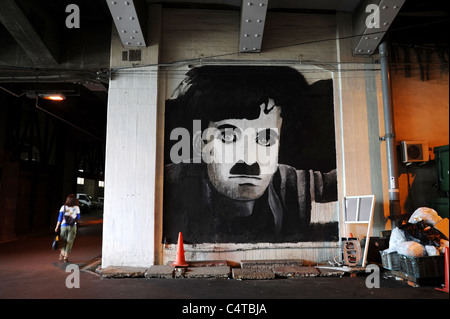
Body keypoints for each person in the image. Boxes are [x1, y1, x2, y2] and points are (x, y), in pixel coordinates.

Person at [163, 65, 338, 244]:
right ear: (202, 144)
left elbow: (347, 181)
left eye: (265, 139)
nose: (248, 160)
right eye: (228, 137)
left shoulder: (288, 182)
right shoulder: (170, 186)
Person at [55, 194, 80, 262]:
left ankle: (62, 251)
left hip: (64, 226)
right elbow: (78, 217)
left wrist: (57, 227)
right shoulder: (77, 208)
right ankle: (66, 256)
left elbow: (60, 218)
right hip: (73, 226)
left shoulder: (63, 207)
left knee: (65, 241)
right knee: (70, 242)